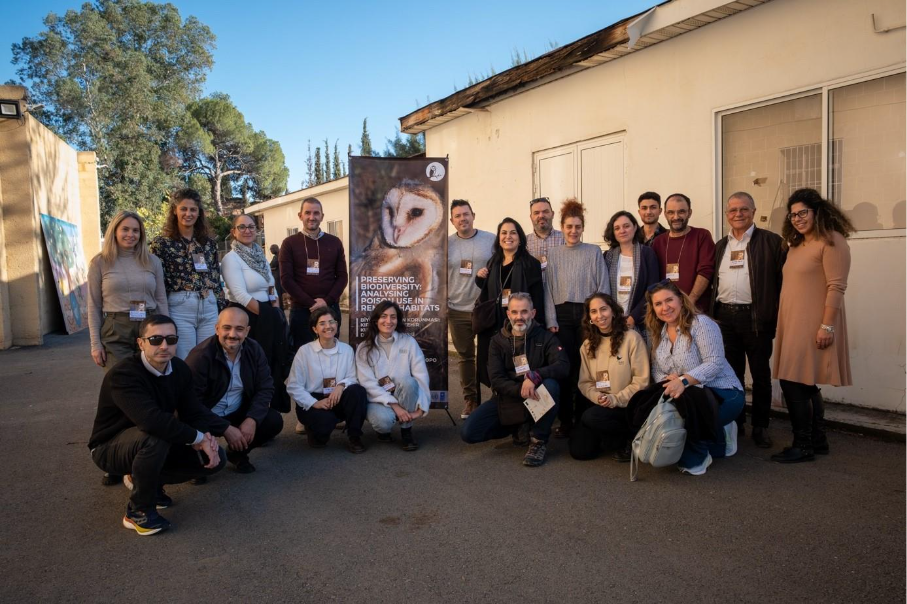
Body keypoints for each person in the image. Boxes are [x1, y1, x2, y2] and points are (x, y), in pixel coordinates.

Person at [88, 315, 226, 536]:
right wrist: (197, 438)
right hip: (109, 447)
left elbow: (193, 411)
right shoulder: (124, 374)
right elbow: (150, 420)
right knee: (154, 437)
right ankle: (138, 511)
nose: (164, 346)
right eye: (155, 339)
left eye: (171, 339)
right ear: (141, 343)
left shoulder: (179, 369)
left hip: (150, 440)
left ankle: (146, 481)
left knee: (216, 458)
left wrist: (206, 437)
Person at [771, 188, 853, 463]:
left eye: (802, 212)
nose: (797, 218)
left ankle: (803, 444)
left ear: (818, 211)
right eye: (793, 214)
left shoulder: (832, 241)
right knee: (803, 382)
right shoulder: (796, 244)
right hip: (793, 323)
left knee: (794, 382)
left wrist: (827, 327)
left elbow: (836, 287)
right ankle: (818, 440)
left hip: (814, 324)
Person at [710, 192, 785, 448]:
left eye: (744, 209)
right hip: (724, 318)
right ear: (727, 214)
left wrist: (774, 316)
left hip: (756, 318)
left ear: (753, 211)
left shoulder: (772, 242)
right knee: (732, 374)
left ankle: (761, 426)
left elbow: (781, 284)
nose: (738, 214)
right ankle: (737, 421)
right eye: (733, 210)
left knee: (761, 375)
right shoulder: (721, 245)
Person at [646, 281, 745, 475]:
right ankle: (719, 438)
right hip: (690, 396)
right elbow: (656, 369)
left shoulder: (702, 324)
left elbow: (715, 363)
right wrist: (668, 378)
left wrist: (683, 380)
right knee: (679, 423)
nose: (665, 307)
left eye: (669, 300)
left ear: (681, 300)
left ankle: (717, 433)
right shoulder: (658, 332)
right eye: (658, 304)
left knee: (689, 462)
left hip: (724, 393)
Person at [461, 293, 569, 467]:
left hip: (536, 395)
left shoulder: (545, 337)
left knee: (551, 385)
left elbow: (563, 365)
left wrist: (535, 376)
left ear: (533, 313)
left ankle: (538, 441)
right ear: (508, 314)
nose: (520, 317)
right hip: (508, 397)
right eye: (515, 312)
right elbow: (496, 379)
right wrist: (519, 390)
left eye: (524, 312)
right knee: (469, 432)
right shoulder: (497, 341)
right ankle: (518, 426)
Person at [185, 307, 284, 474]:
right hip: (206, 416)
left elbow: (265, 386)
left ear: (247, 331)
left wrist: (252, 419)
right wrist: (225, 428)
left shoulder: (254, 350)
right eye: (226, 327)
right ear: (217, 329)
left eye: (239, 329)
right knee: (205, 468)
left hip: (236, 409)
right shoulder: (200, 357)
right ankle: (198, 459)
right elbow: (191, 404)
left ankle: (238, 453)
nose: (232, 334)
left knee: (273, 421)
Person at [543, 199, 610, 438]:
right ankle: (565, 421)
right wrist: (551, 319)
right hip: (561, 316)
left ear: (583, 228)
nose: (573, 231)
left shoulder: (593, 252)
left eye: (578, 226)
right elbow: (548, 290)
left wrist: (601, 317)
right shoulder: (553, 254)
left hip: (586, 315)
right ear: (562, 226)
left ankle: (584, 418)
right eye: (569, 226)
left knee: (587, 368)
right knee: (565, 368)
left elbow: (603, 286)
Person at [569, 293, 650, 462]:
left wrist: (616, 399)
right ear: (589, 317)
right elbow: (585, 382)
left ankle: (628, 438)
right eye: (594, 311)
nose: (600, 316)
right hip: (601, 403)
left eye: (603, 309)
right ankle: (610, 439)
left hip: (627, 405)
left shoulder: (632, 338)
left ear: (613, 311)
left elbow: (641, 381)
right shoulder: (587, 345)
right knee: (580, 451)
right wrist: (597, 396)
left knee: (591, 418)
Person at [221, 214, 290, 412]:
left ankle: (268, 409)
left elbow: (271, 286)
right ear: (233, 232)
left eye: (251, 226)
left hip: (268, 313)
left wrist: (276, 310)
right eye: (241, 227)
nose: (247, 230)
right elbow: (240, 294)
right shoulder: (231, 259)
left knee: (270, 363)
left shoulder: (260, 257)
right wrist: (268, 315)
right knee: (251, 366)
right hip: (246, 316)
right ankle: (248, 413)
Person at [88, 210, 168, 371]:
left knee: (151, 379)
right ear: (115, 231)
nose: (130, 234)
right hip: (116, 329)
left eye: (135, 230)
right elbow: (94, 305)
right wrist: (95, 344)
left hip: (150, 326)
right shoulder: (100, 262)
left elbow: (161, 299)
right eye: (125, 229)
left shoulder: (152, 261)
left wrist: (166, 333)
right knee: (121, 381)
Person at [150, 188, 225, 359]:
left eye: (193, 209)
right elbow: (158, 283)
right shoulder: (161, 244)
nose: (188, 213)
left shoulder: (208, 243)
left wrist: (220, 308)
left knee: (209, 358)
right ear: (175, 211)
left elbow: (215, 276)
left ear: (199, 213)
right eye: (183, 209)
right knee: (186, 360)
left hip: (209, 306)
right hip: (180, 307)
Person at [474, 218, 545, 391]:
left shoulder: (531, 264)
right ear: (499, 238)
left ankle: (519, 400)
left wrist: (539, 326)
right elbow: (487, 291)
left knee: (519, 366)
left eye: (513, 232)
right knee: (495, 366)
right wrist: (479, 277)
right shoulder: (493, 262)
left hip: (518, 323)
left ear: (520, 238)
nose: (508, 236)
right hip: (494, 324)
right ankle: (498, 397)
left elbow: (537, 297)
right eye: (504, 233)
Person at [286, 306, 369, 453]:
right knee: (322, 433)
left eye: (332, 322)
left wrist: (341, 385)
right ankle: (315, 430)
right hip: (313, 399)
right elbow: (293, 386)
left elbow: (352, 376)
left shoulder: (347, 350)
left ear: (337, 325)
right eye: (322, 323)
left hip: (337, 397)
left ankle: (354, 436)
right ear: (315, 329)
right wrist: (315, 403)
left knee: (358, 391)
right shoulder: (305, 351)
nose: (328, 326)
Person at [356, 301, 430, 451]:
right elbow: (367, 384)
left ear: (398, 320)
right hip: (378, 399)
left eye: (393, 317)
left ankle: (406, 430)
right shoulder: (364, 348)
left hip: (404, 393)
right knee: (383, 423)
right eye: (384, 316)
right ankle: (384, 431)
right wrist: (395, 406)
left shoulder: (409, 342)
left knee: (409, 382)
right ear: (376, 320)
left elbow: (421, 377)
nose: (388, 321)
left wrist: (422, 408)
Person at [279, 197, 348, 354]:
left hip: (330, 309)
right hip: (301, 311)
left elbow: (343, 276)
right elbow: (286, 280)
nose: (312, 217)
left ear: (322, 216)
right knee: (302, 354)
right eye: (308, 213)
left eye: (316, 213)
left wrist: (326, 301)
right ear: (300, 216)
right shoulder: (289, 243)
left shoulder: (335, 242)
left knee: (331, 352)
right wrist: (311, 303)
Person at [447, 199, 496, 419]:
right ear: (452, 221)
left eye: (465, 214)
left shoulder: (491, 240)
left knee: (491, 355)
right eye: (457, 216)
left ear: (473, 215)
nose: (462, 218)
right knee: (466, 356)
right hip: (456, 308)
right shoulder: (446, 244)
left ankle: (499, 397)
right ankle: (471, 399)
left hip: (484, 308)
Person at [651, 193, 716, 312]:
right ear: (665, 214)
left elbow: (706, 271)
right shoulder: (658, 242)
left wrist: (690, 301)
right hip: (667, 311)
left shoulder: (702, 236)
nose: (676, 217)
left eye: (681, 212)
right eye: (671, 212)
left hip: (696, 310)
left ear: (689, 212)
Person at [602, 211, 660, 333]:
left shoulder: (647, 254)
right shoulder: (607, 256)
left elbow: (652, 290)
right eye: (617, 228)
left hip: (640, 321)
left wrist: (633, 317)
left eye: (626, 226)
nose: (622, 231)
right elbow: (602, 289)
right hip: (612, 321)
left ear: (634, 227)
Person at [525, 197, 565, 278]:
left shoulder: (565, 239)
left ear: (552, 214)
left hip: (559, 290)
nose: (541, 215)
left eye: (545, 212)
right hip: (533, 290)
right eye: (536, 213)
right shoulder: (524, 242)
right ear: (531, 217)